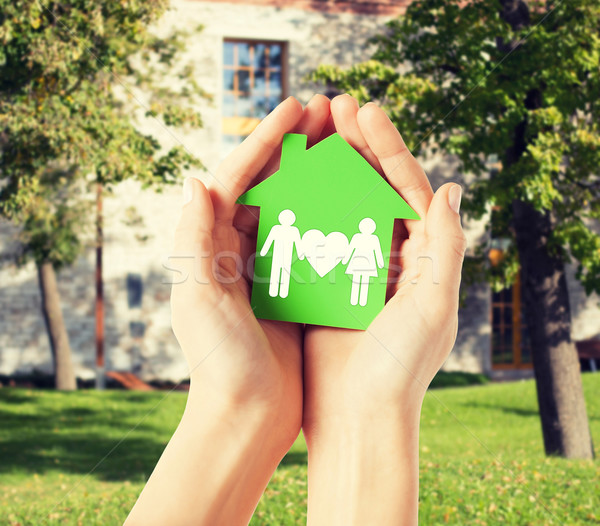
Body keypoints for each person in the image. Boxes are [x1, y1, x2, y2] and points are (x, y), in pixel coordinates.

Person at [124, 94, 466, 525]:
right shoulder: (284, 234)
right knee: (289, 279)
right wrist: (237, 399)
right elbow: (272, 246)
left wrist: (362, 411)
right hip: (287, 269)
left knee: (354, 287)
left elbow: (344, 249)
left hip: (354, 271)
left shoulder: (358, 238)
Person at [260, 208, 304, 298]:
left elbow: (298, 242)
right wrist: (263, 251)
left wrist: (300, 254)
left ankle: (283, 292)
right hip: (277, 254)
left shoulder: (294, 230)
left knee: (285, 273)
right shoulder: (276, 229)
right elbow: (269, 240)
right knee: (275, 272)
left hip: (288, 255)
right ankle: (273, 291)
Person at [342, 217, 384, 306]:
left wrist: (380, 262)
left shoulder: (374, 238)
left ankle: (362, 302)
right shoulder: (356, 237)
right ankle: (354, 301)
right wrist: (345, 259)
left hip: (368, 263)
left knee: (364, 282)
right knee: (356, 281)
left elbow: (377, 251)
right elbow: (351, 249)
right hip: (357, 262)